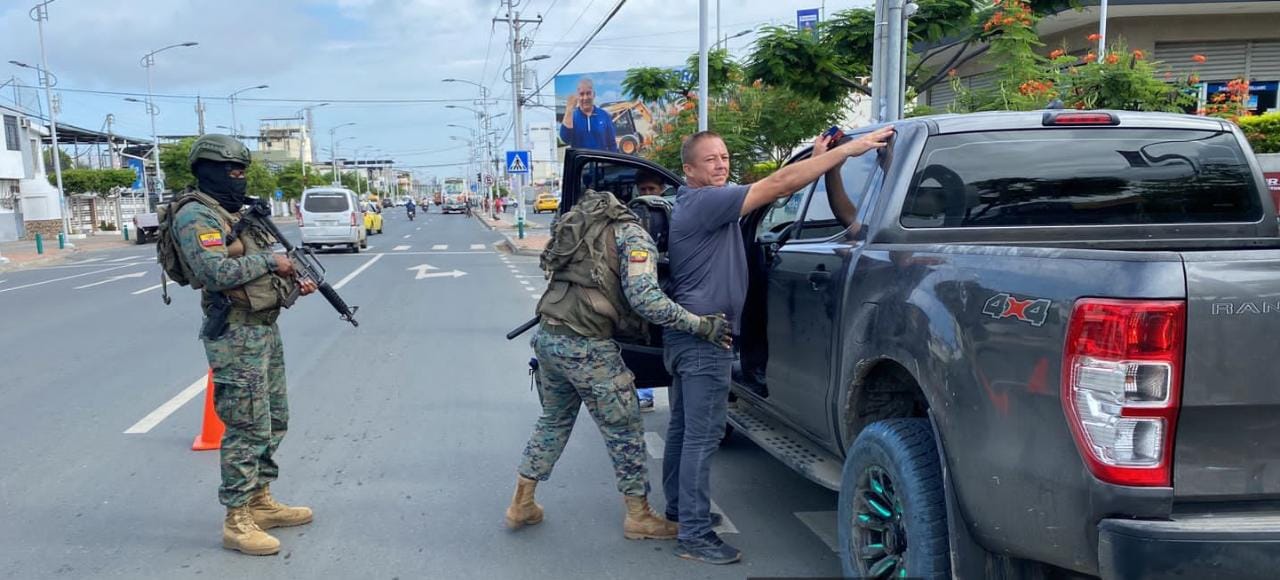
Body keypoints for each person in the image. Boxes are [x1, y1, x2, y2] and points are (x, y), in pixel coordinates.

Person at [663, 126, 893, 565]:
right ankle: (693, 534)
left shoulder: (706, 203)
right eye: (710, 159)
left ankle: (680, 511)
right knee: (702, 434)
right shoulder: (706, 202)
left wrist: (824, 158)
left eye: (725, 156)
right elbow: (778, 184)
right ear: (688, 170)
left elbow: (772, 189)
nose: (721, 163)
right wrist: (855, 150)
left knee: (684, 429)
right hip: (704, 336)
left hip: (686, 333)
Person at [506, 189, 732, 542]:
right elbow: (647, 301)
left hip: (549, 338)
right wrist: (700, 324)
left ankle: (522, 502)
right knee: (624, 430)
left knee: (554, 421)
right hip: (587, 348)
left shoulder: (585, 224)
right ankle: (639, 516)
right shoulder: (634, 235)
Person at [169, 134, 319, 556]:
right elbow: (213, 271)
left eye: (242, 172)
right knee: (246, 425)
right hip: (235, 333)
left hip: (263, 327)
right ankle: (237, 519)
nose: (238, 179)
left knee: (274, 419)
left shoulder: (232, 213)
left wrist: (287, 282)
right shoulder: (196, 215)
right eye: (232, 172)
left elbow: (250, 269)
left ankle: (260, 500)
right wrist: (273, 262)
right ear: (209, 171)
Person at [631, 171, 670, 412]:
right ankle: (643, 392)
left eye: (651, 190)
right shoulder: (635, 216)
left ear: (662, 189)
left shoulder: (671, 213)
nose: (647, 195)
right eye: (643, 190)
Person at [559, 77, 618, 152]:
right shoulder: (572, 117)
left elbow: (612, 144)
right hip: (580, 163)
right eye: (582, 94)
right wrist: (569, 109)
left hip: (600, 162)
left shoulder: (604, 115)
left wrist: (612, 163)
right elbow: (565, 139)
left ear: (594, 94)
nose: (585, 97)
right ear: (578, 96)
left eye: (588, 93)